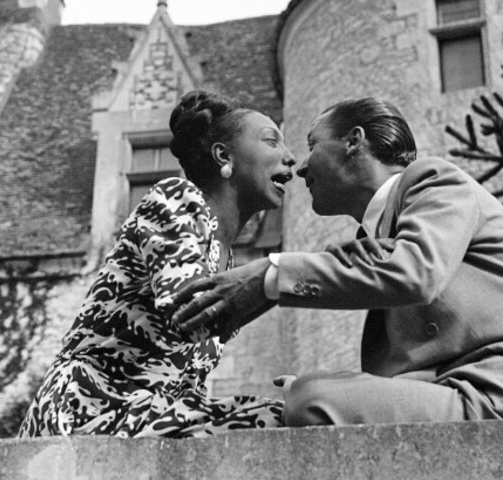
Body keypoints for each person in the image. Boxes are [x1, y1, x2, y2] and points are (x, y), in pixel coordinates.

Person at [172, 97, 503, 425]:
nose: (300, 167)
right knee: (309, 394)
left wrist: (271, 274)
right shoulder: (377, 237)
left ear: (354, 142)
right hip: (475, 390)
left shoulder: (434, 181)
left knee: (311, 400)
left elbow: (414, 271)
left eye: (312, 146)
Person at [18, 90, 296, 437]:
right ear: (224, 156)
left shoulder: (225, 258)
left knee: (291, 414)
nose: (291, 158)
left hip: (149, 418)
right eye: (272, 141)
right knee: (281, 418)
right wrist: (294, 273)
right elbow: (189, 314)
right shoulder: (177, 200)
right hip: (89, 411)